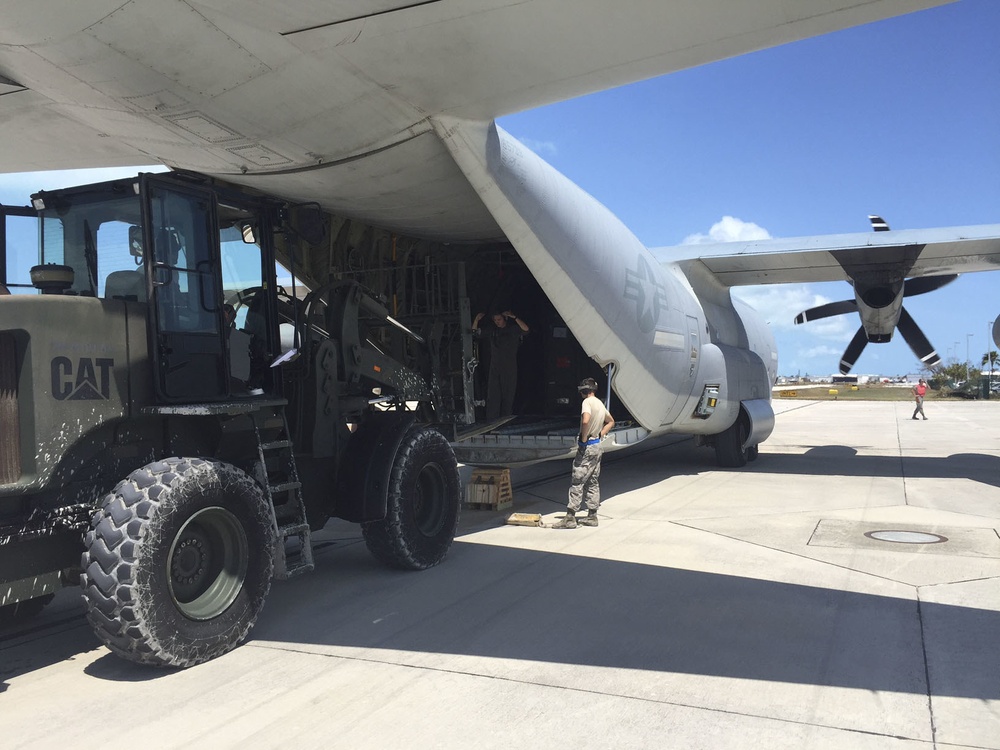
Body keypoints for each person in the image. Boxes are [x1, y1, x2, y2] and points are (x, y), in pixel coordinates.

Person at [552, 377, 615, 529]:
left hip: (587, 448)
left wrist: (583, 440)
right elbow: (611, 421)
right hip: (597, 447)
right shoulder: (600, 403)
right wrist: (600, 434)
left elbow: (585, 421)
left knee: (577, 480)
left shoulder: (587, 403)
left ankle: (570, 516)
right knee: (592, 481)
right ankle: (592, 515)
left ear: (583, 391)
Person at [472, 309, 529, 419]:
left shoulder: (513, 329)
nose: (497, 322)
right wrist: (476, 320)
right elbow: (475, 333)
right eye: (495, 320)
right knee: (493, 395)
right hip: (495, 367)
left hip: (509, 367)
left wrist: (514, 317)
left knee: (508, 394)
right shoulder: (493, 331)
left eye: (499, 319)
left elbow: (526, 329)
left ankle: (505, 419)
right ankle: (491, 420)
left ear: (504, 319)